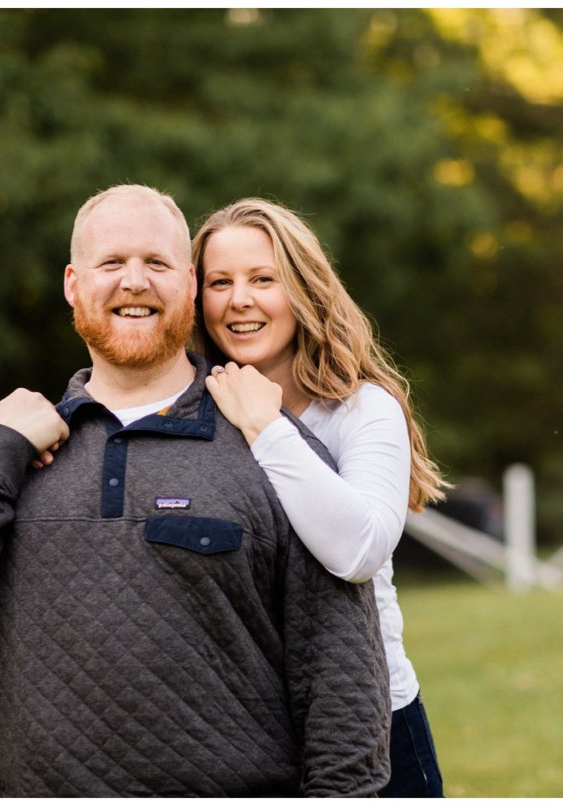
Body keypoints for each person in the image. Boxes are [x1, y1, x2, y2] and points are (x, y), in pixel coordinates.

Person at [0, 184, 391, 797]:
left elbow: (343, 688)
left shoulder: (272, 448)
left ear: (187, 284)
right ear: (74, 285)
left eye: (156, 263)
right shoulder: (19, 449)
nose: (134, 282)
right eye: (112, 263)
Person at [193, 198, 446, 797]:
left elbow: (357, 551)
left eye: (263, 279)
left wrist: (267, 428)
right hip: (242, 736)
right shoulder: (188, 416)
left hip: (373, 724)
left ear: (301, 289)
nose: (240, 300)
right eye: (219, 282)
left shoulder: (363, 412)